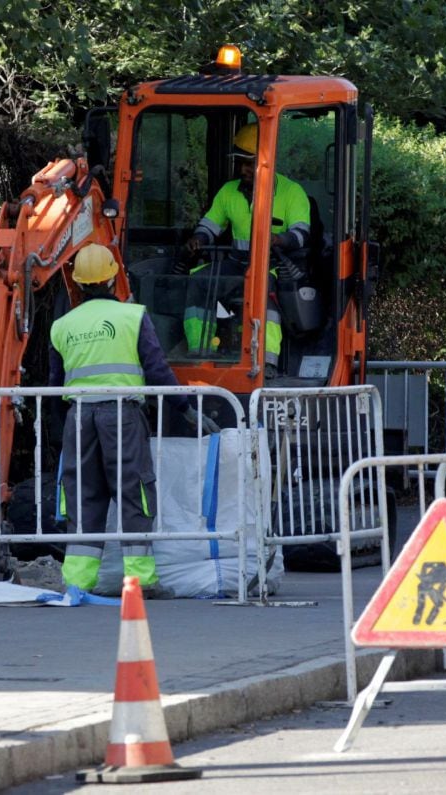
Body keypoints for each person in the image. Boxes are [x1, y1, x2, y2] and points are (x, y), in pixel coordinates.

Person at [49, 243, 220, 598]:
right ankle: (139, 582)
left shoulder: (62, 325)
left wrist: (57, 429)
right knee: (134, 493)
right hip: (121, 416)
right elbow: (158, 369)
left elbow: (53, 386)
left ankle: (78, 583)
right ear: (113, 278)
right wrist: (185, 409)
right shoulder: (133, 317)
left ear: (78, 284)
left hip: (78, 418)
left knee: (82, 496)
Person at [182, 122, 311, 375]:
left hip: (273, 266)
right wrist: (199, 238)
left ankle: (267, 362)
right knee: (197, 281)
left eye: (249, 163)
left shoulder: (291, 192)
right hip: (235, 265)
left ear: (266, 161)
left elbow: (301, 234)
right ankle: (200, 352)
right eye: (240, 162)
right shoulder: (228, 192)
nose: (243, 169)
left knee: (264, 292)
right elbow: (210, 225)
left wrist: (279, 240)